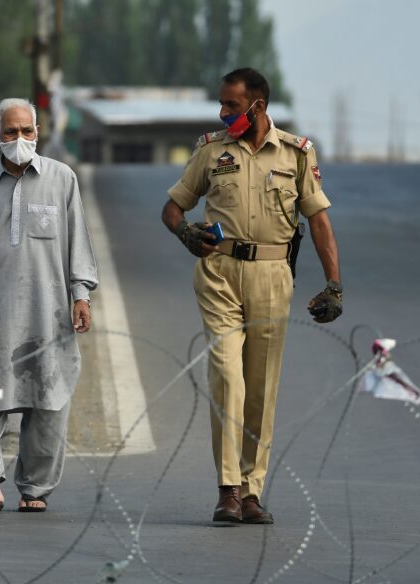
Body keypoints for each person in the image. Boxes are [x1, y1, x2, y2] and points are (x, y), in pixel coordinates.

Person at [162, 68, 342, 524]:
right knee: (227, 374)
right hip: (219, 272)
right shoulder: (211, 150)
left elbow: (318, 220)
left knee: (261, 384)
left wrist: (333, 284)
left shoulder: (297, 153)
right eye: (221, 105)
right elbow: (173, 207)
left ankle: (251, 490)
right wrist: (185, 233)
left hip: (272, 274)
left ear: (258, 106)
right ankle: (227, 489)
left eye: (232, 106)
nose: (224, 114)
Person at [0, 98, 98, 513]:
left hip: (48, 310)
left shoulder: (62, 178)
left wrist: (81, 295)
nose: (19, 139)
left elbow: (78, 243)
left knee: (48, 398)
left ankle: (35, 487)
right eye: (10, 132)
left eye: (27, 131)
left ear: (38, 132)